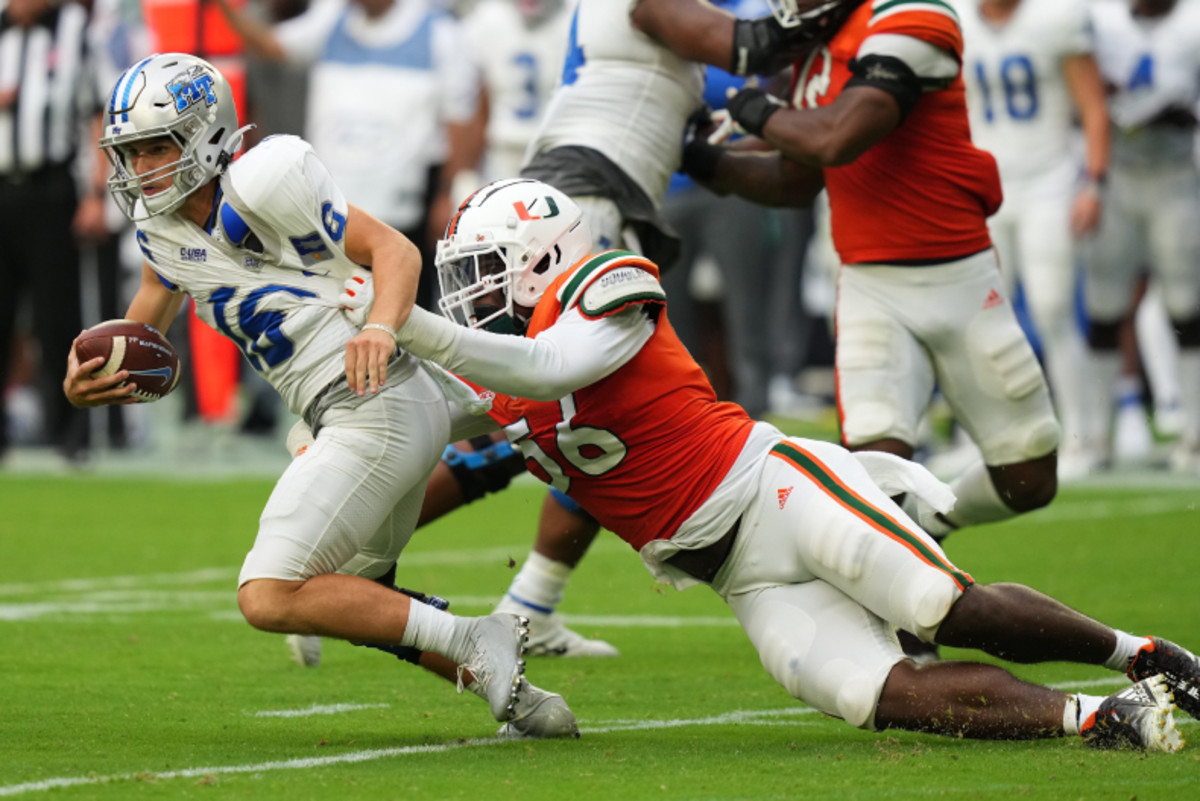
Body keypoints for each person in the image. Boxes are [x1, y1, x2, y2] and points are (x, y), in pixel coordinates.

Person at [387, 175, 1200, 750]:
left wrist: (412, 325)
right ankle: (1101, 717)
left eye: (482, 274)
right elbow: (435, 425)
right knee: (879, 694)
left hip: (774, 490)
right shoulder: (495, 369)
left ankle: (1147, 656)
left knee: (944, 607)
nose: (467, 296)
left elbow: (551, 367)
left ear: (542, 256)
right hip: (737, 577)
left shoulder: (606, 282)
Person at [61, 53, 576, 739]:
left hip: (374, 402)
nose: (141, 168)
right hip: (355, 415)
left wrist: (383, 328)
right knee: (356, 601)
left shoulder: (263, 182)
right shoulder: (162, 231)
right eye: (129, 153)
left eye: (157, 147)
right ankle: (525, 699)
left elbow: (395, 251)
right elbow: (137, 338)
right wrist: (90, 381)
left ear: (207, 138)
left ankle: (482, 638)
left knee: (268, 592)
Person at [680, 0, 1060, 543]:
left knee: (1028, 477)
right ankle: (899, 586)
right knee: (876, 483)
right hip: (869, 285)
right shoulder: (815, 50)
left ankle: (931, 523)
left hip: (961, 280)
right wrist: (696, 158)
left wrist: (752, 108)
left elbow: (837, 136)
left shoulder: (910, 15)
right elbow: (793, 179)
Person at [213, 0, 479, 311]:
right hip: (332, 213)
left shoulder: (440, 32)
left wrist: (447, 193)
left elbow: (462, 121)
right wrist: (223, 7)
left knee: (402, 314)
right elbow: (273, 46)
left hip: (404, 212)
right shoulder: (332, 17)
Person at [952, 0, 1109, 481]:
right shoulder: (955, 18)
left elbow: (1093, 107)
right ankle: (983, 440)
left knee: (1052, 309)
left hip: (1049, 182)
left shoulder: (1054, 18)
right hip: (988, 186)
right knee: (980, 316)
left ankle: (1086, 436)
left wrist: (1094, 181)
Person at [1084, 0, 1200, 474]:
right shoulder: (1100, 18)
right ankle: (1094, 437)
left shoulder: (1192, 22)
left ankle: (1194, 434)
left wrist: (1180, 109)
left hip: (1175, 175)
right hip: (1117, 176)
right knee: (1104, 308)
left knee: (1186, 308)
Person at [0, 0, 108, 465]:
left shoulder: (74, 29)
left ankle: (69, 436)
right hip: (2, 186)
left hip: (52, 188)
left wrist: (95, 194)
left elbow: (97, 111)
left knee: (56, 316)